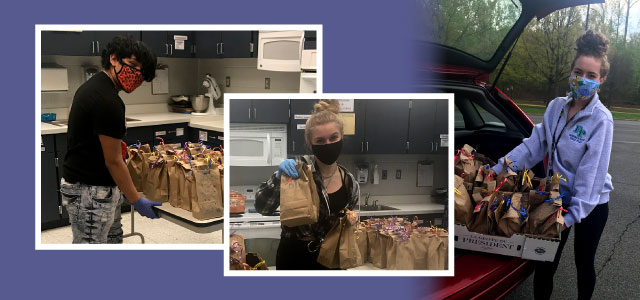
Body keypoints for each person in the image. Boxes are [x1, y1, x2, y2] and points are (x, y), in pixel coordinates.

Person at [492, 30, 613, 300]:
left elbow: (590, 176)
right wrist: (499, 167)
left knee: (583, 264)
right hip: (557, 197)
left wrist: (568, 217)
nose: (583, 80)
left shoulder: (601, 120)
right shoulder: (556, 107)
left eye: (591, 76)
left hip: (590, 204)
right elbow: (533, 146)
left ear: (601, 80)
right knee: (544, 263)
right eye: (578, 72)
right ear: (570, 73)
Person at [60, 35, 162, 244]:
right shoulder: (107, 101)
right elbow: (113, 160)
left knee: (113, 241)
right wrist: (136, 201)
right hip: (90, 192)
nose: (135, 75)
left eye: (141, 74)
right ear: (114, 59)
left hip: (97, 187)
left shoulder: (96, 87)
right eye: (132, 65)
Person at [255, 99, 360, 270]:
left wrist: (351, 219)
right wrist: (278, 176)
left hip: (331, 258)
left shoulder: (349, 182)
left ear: (342, 137)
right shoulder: (298, 171)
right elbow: (262, 207)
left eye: (333, 137)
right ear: (310, 144)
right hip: (294, 257)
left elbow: (347, 224)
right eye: (320, 141)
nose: (328, 144)